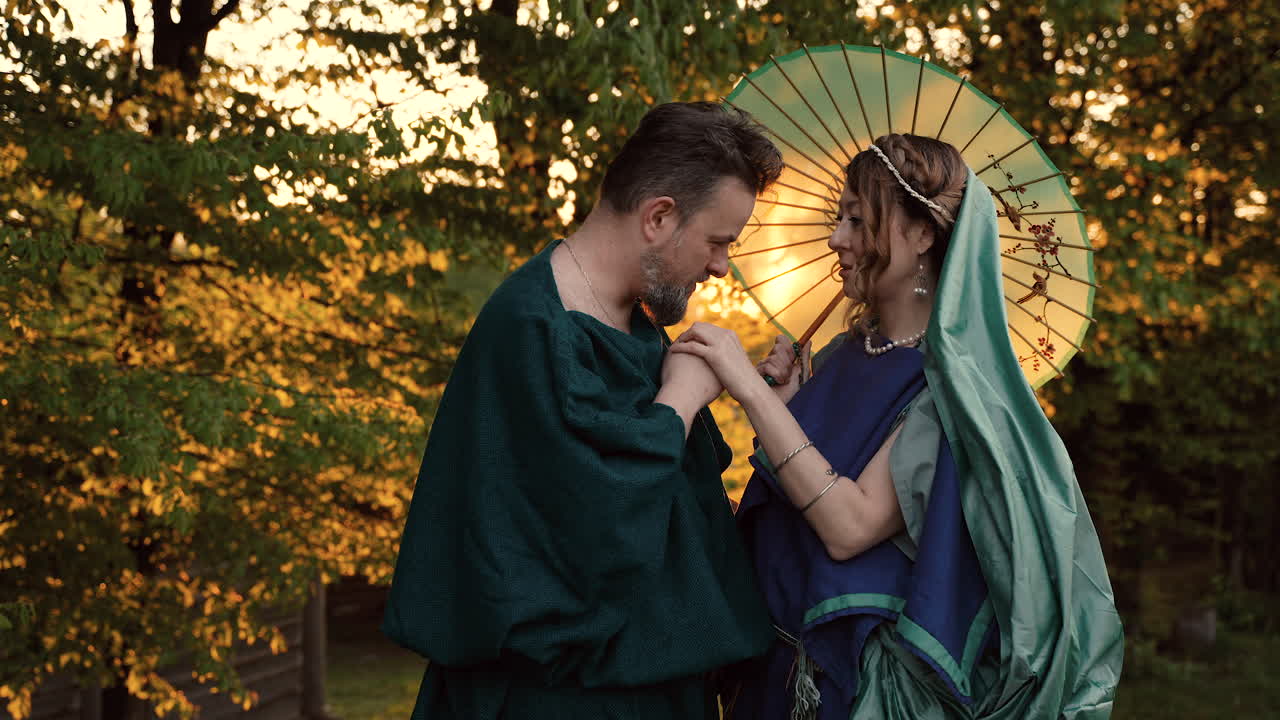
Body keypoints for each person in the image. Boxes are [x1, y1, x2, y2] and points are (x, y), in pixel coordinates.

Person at [670, 133, 1123, 719]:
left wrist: (753, 392)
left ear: (923, 235)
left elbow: (850, 524)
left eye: (857, 221)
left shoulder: (950, 386)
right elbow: (804, 492)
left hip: (848, 687)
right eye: (839, 218)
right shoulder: (839, 353)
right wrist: (786, 406)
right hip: (773, 668)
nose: (837, 239)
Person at [381, 102, 785, 719]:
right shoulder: (533, 329)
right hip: (558, 699)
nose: (720, 266)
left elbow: (676, 508)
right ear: (658, 217)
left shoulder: (636, 320)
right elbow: (598, 529)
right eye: (717, 242)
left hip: (652, 689)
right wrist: (679, 398)